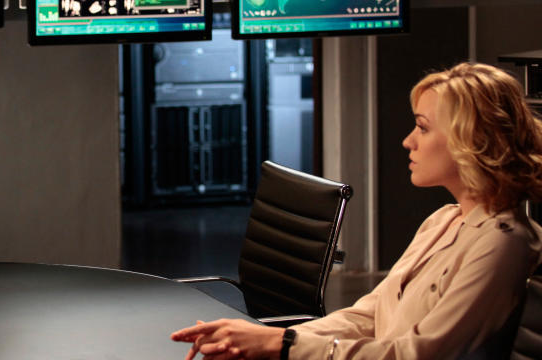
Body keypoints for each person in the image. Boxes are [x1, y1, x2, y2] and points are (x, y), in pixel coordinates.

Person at [171, 62, 542, 360]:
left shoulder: (502, 243)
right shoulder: (443, 220)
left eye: (422, 128)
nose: (407, 141)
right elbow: (370, 314)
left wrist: (280, 347)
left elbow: (422, 353)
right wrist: (275, 337)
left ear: (470, 142)